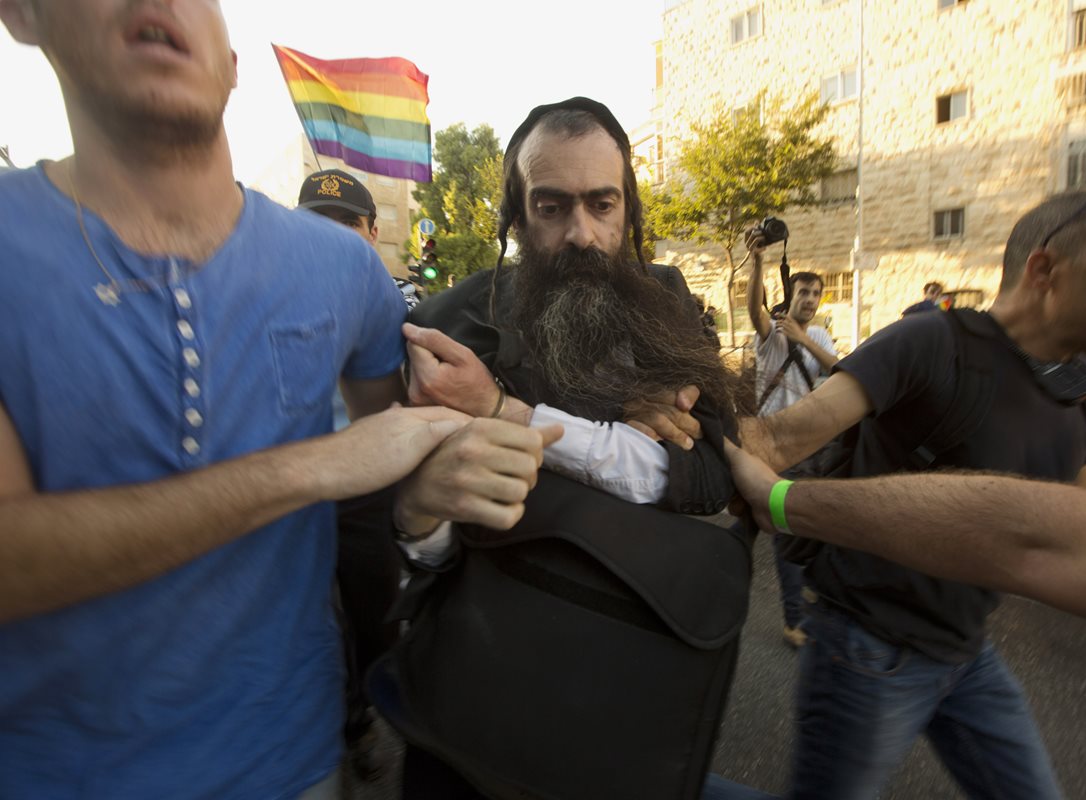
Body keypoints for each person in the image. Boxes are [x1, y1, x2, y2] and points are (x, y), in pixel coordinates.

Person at [0, 2, 557, 798]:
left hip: (293, 765)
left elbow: (404, 465)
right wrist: (311, 467)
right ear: (24, 16)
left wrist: (560, 432)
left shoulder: (344, 269)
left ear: (231, 63)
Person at [739, 179, 1086, 800]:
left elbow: (1085, 541)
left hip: (969, 657)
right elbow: (777, 443)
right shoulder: (929, 342)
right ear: (1046, 269)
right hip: (870, 651)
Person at [381, 97, 742, 799]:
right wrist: (420, 513)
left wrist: (507, 413)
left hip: (632, 677)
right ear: (515, 216)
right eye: (551, 207)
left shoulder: (664, 304)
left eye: (602, 205)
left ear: (628, 212)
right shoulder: (449, 328)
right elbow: (414, 534)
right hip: (478, 688)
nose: (581, 233)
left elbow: (706, 475)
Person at [295, 167, 399, 781]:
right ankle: (336, 724)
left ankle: (363, 710)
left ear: (373, 230)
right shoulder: (269, 294)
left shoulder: (394, 302)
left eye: (347, 224)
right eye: (317, 224)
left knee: (375, 617)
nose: (333, 237)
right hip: (295, 488)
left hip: (366, 489)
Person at [746, 235, 838, 648]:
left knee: (804, 523)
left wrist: (805, 341)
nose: (811, 298)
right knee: (786, 530)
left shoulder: (818, 335)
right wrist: (757, 261)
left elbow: (840, 371)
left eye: (817, 293)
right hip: (775, 446)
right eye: (804, 291)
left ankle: (717, 557)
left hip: (811, 447)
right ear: (791, 294)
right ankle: (793, 619)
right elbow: (753, 310)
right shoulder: (772, 333)